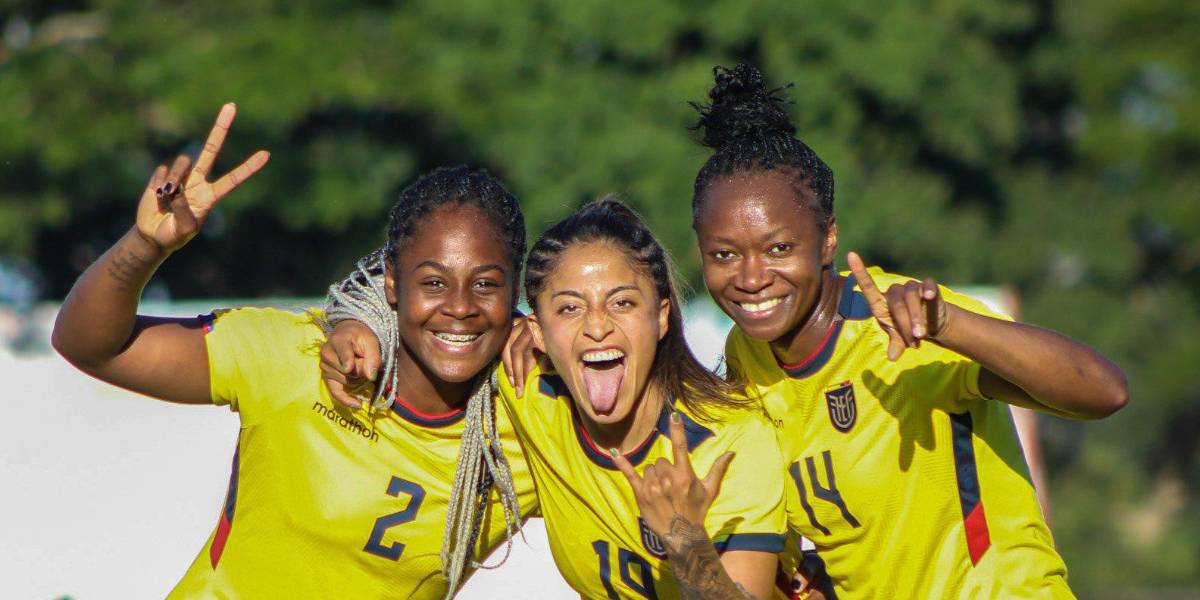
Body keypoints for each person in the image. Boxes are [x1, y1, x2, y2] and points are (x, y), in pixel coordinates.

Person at [50, 103, 537, 599]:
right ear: (392, 281)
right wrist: (144, 246)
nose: (459, 307)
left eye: (485, 285)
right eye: (433, 281)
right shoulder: (294, 356)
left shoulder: (533, 426)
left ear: (514, 289)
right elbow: (90, 346)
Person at [692, 64, 1128, 598]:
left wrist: (949, 324)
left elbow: (1104, 391)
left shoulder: (906, 325)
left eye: (779, 248)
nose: (752, 278)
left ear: (828, 238)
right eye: (724, 255)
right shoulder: (745, 356)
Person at [323, 199, 792, 598]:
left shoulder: (731, 442)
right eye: (569, 308)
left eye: (623, 303)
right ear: (538, 331)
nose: (597, 325)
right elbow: (413, 283)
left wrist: (686, 541)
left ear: (662, 317)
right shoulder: (527, 393)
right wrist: (356, 324)